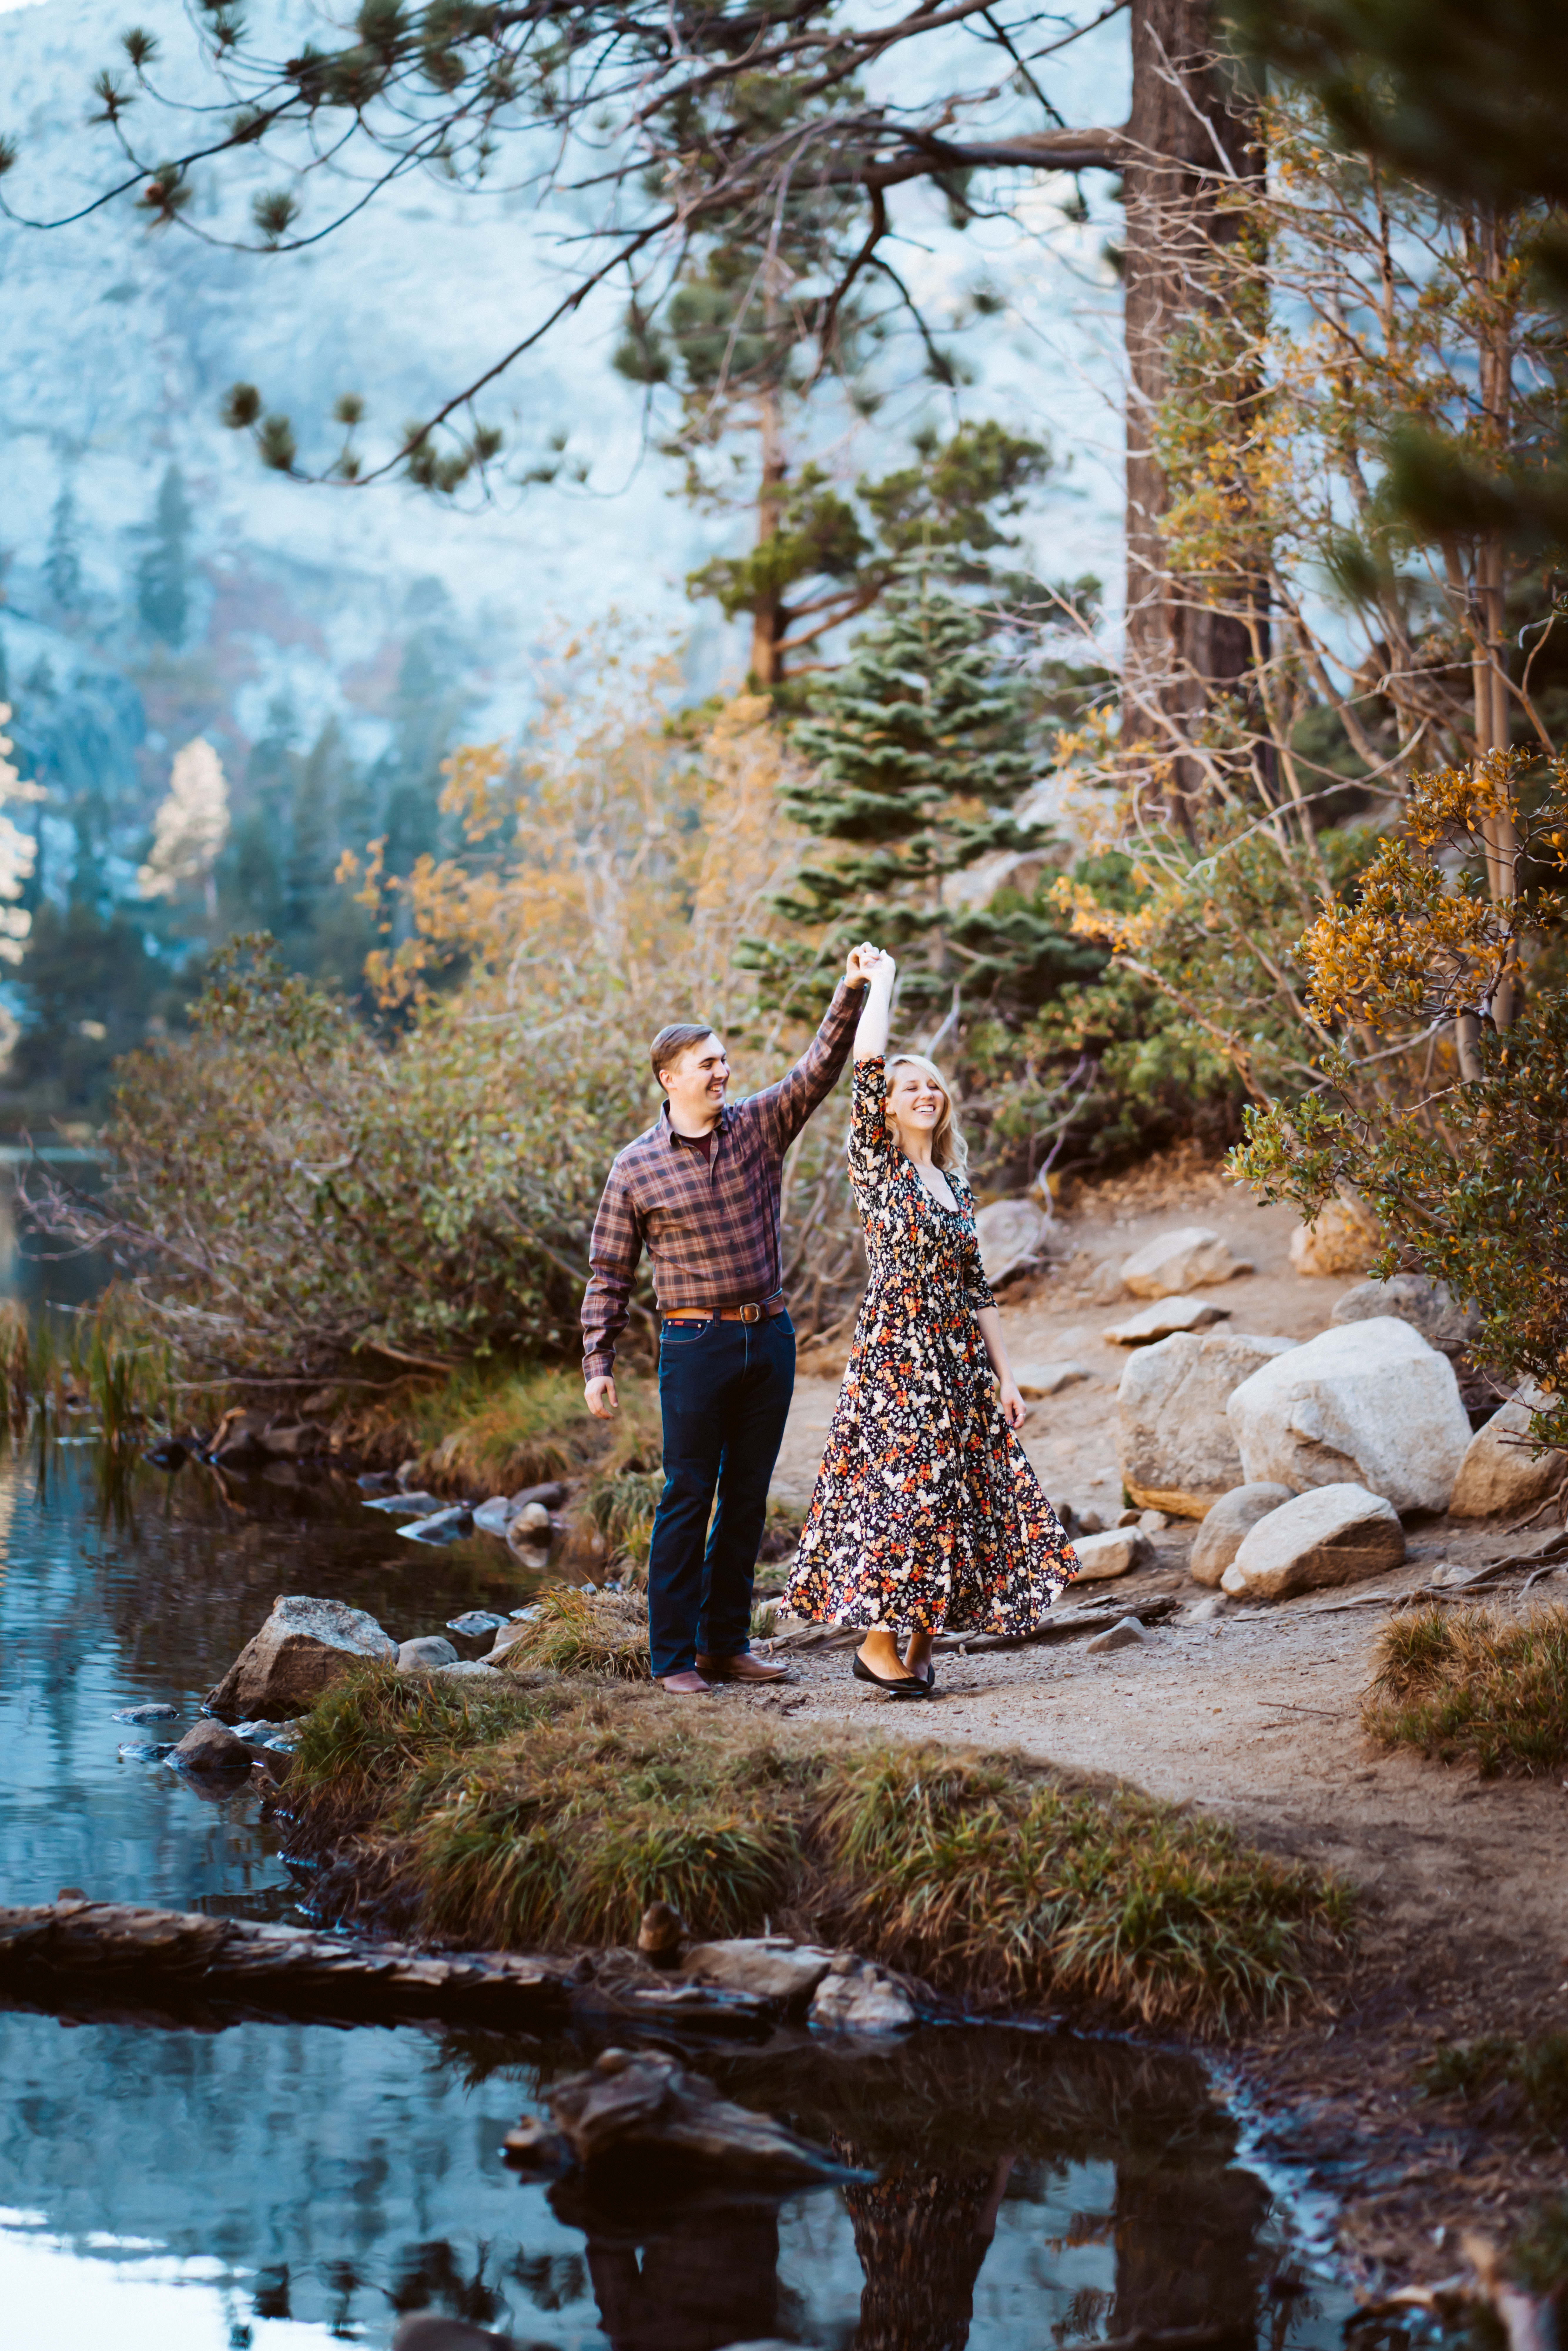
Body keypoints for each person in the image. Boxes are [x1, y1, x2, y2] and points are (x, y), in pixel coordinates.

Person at [581, 946, 875, 1694]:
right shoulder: (634, 1167)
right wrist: (598, 1362)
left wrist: (850, 990)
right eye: (706, 1064)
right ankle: (672, 1659)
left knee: (746, 1496)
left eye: (723, 1060)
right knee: (688, 1497)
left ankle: (726, 1645)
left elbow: (818, 1067)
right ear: (668, 1078)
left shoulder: (759, 1127)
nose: (722, 1072)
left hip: (768, 1337)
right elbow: (609, 1272)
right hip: (693, 1344)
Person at [785, 947, 1078, 1693]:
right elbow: (867, 1058)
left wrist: (1006, 1377)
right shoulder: (874, 1162)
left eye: (933, 1086)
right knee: (906, 1490)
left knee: (957, 1492)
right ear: (884, 1104)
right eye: (909, 1086)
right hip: (898, 1352)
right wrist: (878, 982)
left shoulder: (953, 1181)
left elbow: (978, 1287)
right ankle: (874, 1644)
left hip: (956, 1358)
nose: (924, 1093)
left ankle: (920, 1647)